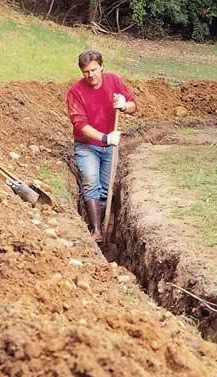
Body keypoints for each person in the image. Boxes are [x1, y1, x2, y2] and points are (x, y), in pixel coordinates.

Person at [67, 50, 137, 242]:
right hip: (87, 146)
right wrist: (105, 138)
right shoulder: (76, 92)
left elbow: (133, 106)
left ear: (102, 67)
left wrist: (123, 105)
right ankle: (96, 230)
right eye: (86, 72)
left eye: (94, 70)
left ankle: (105, 230)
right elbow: (80, 125)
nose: (91, 75)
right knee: (91, 182)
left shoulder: (114, 81)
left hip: (109, 148)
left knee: (106, 189)